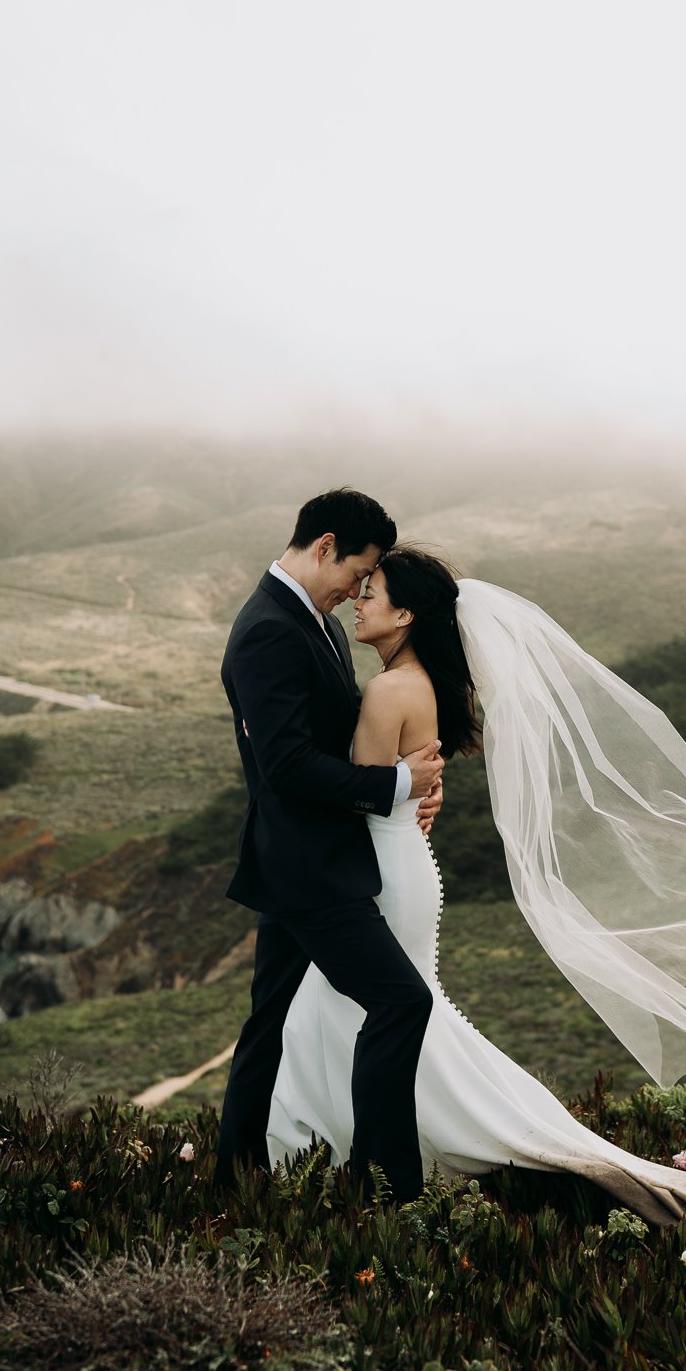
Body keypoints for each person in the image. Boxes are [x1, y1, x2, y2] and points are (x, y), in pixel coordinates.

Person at [265, 546, 686, 1240]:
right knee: (366, 1015)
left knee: (338, 1013)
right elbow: (403, 785)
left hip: (376, 872)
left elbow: (360, 800)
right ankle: (379, 1153)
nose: (357, 600)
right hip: (399, 865)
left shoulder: (387, 690)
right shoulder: (422, 681)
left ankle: (364, 1160)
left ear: (404, 613)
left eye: (370, 591)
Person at [213, 489, 445, 1203]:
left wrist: (408, 778)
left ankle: (235, 1178)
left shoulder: (315, 624)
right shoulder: (267, 631)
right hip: (309, 866)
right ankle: (384, 1186)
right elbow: (284, 768)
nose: (356, 589)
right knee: (401, 1002)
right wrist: (395, 784)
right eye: (357, 571)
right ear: (324, 546)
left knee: (269, 1024)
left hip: (308, 858)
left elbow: (334, 734)